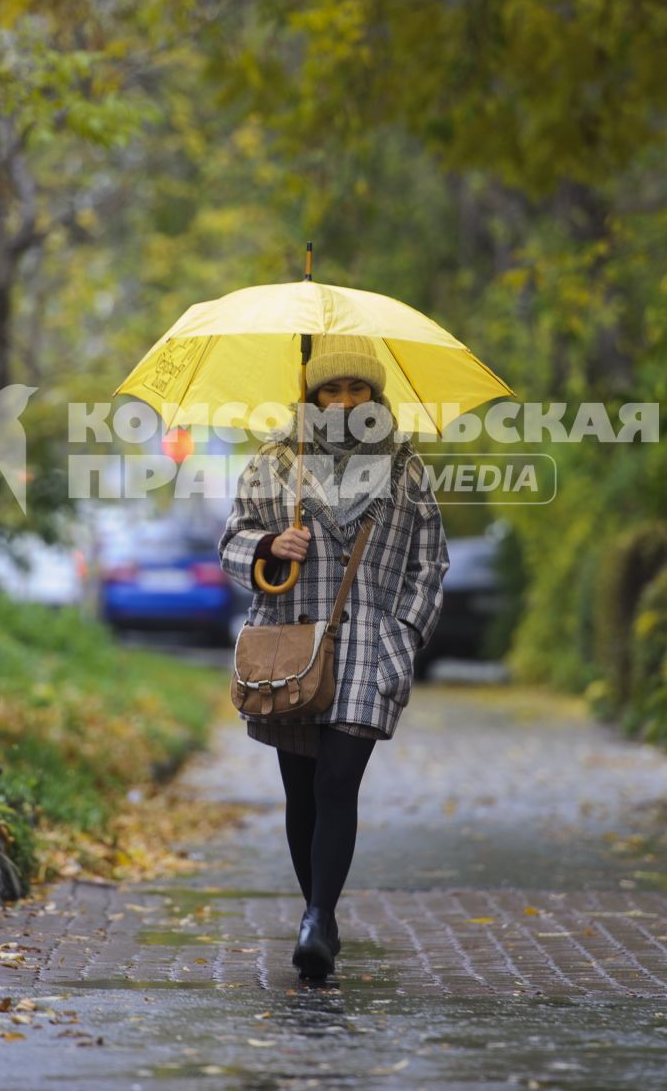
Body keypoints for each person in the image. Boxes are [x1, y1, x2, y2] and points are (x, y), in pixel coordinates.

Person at [217, 333, 449, 982]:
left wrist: (405, 633)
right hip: (291, 649)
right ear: (313, 395)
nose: (345, 401)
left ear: (375, 397)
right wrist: (270, 545)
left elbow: (431, 565)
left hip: (371, 649)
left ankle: (318, 916)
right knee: (302, 793)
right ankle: (317, 913)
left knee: (337, 780)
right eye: (332, 388)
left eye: (358, 389)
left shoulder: (406, 469)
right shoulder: (274, 463)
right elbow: (230, 545)